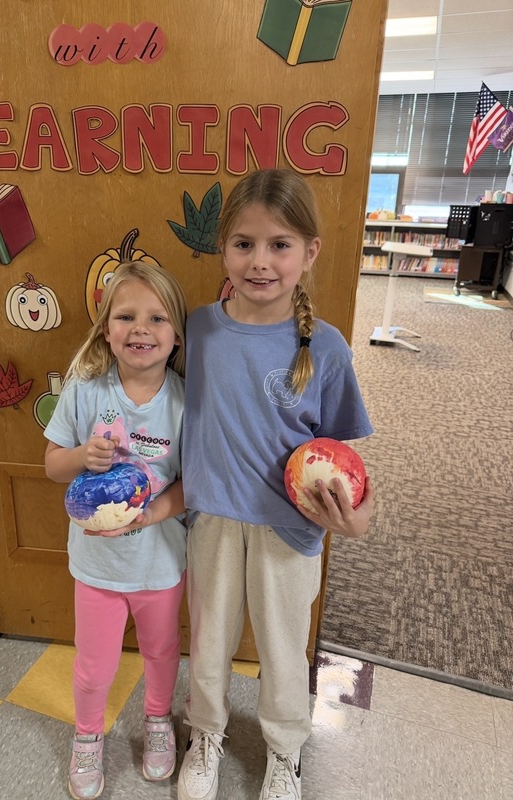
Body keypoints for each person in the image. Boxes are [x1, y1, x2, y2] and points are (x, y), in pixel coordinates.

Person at [178, 169, 375, 800]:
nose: (259, 262)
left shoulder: (328, 348)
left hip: (289, 531)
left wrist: (358, 519)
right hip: (210, 520)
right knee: (208, 644)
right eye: (243, 243)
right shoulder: (200, 331)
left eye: (280, 245)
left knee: (285, 650)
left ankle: (285, 751)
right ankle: (204, 735)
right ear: (223, 249)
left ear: (310, 252)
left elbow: (351, 468)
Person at [44, 260, 188, 800]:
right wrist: (82, 455)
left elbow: (193, 485)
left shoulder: (185, 401)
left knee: (161, 651)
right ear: (107, 328)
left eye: (157, 318)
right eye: (125, 316)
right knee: (93, 664)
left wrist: (151, 513)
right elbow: (52, 465)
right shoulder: (85, 388)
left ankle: (157, 720)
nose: (141, 329)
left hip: (160, 564)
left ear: (175, 335)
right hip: (97, 567)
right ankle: (87, 735)